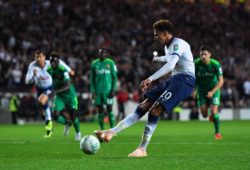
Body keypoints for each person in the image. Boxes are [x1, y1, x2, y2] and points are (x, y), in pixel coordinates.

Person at [94, 19, 195, 157]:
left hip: (185, 80)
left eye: (156, 34)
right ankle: (111, 132)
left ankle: (142, 149)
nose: (155, 37)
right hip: (173, 79)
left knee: (155, 110)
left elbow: (171, 65)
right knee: (143, 106)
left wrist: (150, 78)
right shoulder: (168, 47)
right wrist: (159, 59)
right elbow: (169, 58)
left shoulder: (178, 44)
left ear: (164, 33)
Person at [25, 50, 74, 138]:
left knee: (41, 101)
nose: (38, 59)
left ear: (44, 57)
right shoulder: (32, 66)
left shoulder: (49, 64)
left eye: (40, 57)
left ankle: (42, 112)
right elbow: (27, 81)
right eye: (36, 57)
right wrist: (33, 75)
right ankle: (49, 130)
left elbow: (60, 63)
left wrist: (69, 70)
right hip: (39, 88)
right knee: (46, 109)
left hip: (50, 87)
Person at [47, 53, 81, 141]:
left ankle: (78, 133)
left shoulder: (63, 70)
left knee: (73, 116)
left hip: (70, 96)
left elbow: (68, 85)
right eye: (51, 62)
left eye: (54, 62)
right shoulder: (49, 70)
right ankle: (67, 123)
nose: (52, 63)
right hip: (60, 96)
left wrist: (56, 91)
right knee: (55, 115)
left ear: (58, 62)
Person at [194, 46, 224, 140]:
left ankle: (217, 133)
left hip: (213, 89)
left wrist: (212, 92)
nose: (203, 56)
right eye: (201, 54)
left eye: (205, 54)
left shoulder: (216, 64)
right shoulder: (196, 63)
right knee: (204, 115)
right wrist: (194, 90)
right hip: (201, 91)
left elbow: (221, 81)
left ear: (210, 55)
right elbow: (192, 78)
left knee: (214, 110)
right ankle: (210, 114)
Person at [90, 48, 117, 130]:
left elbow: (114, 77)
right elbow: (92, 79)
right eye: (100, 53)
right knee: (100, 111)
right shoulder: (94, 63)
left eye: (103, 53)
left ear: (106, 54)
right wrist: (93, 91)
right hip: (98, 92)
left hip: (108, 91)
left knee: (110, 110)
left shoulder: (111, 63)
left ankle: (112, 130)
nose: (102, 54)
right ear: (98, 54)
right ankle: (101, 129)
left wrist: (113, 89)